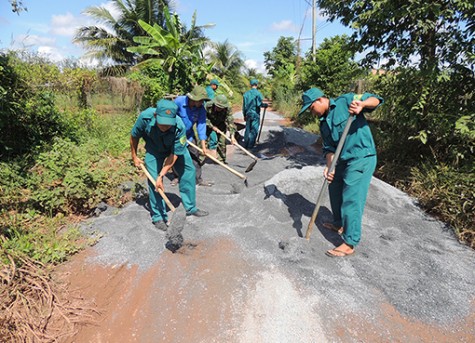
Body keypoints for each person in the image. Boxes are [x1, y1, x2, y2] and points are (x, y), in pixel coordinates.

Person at [298, 87, 384, 257]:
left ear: (320, 100)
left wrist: (362, 104)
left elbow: (376, 99)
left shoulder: (346, 101)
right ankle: (339, 223)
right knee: (334, 187)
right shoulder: (323, 123)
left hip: (360, 157)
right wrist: (330, 166)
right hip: (342, 159)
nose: (311, 111)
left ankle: (350, 242)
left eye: (311, 107)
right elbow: (329, 148)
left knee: (352, 198)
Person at [130, 99, 209, 231]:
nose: (166, 127)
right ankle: (159, 216)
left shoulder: (179, 126)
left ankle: (190, 207)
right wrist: (134, 156)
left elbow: (175, 154)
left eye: (168, 124)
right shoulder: (145, 117)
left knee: (189, 172)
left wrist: (163, 174)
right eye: (163, 124)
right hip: (154, 150)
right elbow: (134, 136)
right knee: (154, 180)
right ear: (156, 116)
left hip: (174, 150)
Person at [174, 85, 214, 187]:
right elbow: (169, 116)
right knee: (176, 156)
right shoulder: (179, 101)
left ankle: (198, 179)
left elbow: (201, 126)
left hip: (189, 135)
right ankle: (178, 176)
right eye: (201, 100)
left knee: (195, 156)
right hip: (176, 135)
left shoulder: (201, 109)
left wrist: (203, 146)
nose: (202, 103)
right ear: (194, 98)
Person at [205, 94, 237, 163]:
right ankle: (200, 158)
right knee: (203, 140)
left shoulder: (227, 108)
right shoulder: (208, 106)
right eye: (218, 107)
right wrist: (212, 126)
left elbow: (230, 121)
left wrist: (232, 136)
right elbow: (204, 118)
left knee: (222, 142)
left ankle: (221, 159)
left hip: (220, 124)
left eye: (221, 108)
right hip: (208, 123)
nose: (219, 109)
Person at [242, 78, 267, 149]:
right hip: (255, 114)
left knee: (247, 129)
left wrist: (244, 115)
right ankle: (250, 145)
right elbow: (259, 104)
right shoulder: (258, 93)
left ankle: (246, 144)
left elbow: (244, 106)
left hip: (248, 114)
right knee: (254, 130)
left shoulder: (246, 94)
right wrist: (264, 105)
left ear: (250, 85)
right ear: (257, 85)